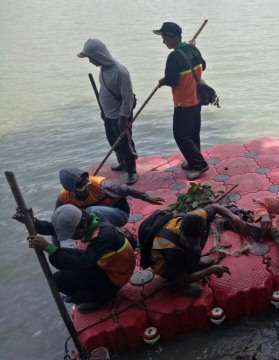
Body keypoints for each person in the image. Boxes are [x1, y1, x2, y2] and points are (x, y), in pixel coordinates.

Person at [26, 204, 136, 313]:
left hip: (115, 278)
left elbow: (83, 263)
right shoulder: (90, 219)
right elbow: (54, 229)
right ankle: (86, 284)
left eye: (71, 235)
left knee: (57, 280)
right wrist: (33, 222)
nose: (70, 238)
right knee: (55, 257)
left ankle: (102, 296)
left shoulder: (104, 236)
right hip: (105, 265)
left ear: (82, 227)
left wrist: (47, 247)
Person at [148, 204, 250, 297]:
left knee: (196, 251)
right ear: (180, 230)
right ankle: (175, 284)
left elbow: (215, 207)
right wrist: (212, 269)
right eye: (185, 240)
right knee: (195, 289)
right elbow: (183, 278)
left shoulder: (197, 218)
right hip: (162, 264)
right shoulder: (170, 249)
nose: (187, 244)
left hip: (177, 251)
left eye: (193, 241)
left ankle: (191, 265)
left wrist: (235, 218)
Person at [78, 39, 139, 185]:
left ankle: (132, 170)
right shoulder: (103, 70)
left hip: (120, 116)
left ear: (99, 55)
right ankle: (123, 163)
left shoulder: (120, 72)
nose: (90, 62)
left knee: (126, 144)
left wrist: (123, 117)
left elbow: (128, 97)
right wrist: (104, 111)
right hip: (108, 114)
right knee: (113, 142)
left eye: (91, 58)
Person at [154, 22, 210, 180]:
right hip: (196, 98)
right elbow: (203, 66)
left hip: (184, 102)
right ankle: (193, 161)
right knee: (192, 133)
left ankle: (199, 164)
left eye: (165, 38)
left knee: (180, 134)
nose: (163, 41)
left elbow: (172, 80)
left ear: (174, 38)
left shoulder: (174, 56)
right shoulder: (192, 49)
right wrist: (192, 51)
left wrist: (163, 80)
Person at [56, 168, 164, 243]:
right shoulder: (63, 198)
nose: (87, 189)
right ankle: (95, 235)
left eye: (87, 185)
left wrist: (147, 197)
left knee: (90, 211)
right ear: (71, 191)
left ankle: (116, 235)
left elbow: (126, 189)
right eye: (82, 189)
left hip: (119, 215)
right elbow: (57, 222)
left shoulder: (102, 185)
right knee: (70, 220)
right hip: (94, 220)